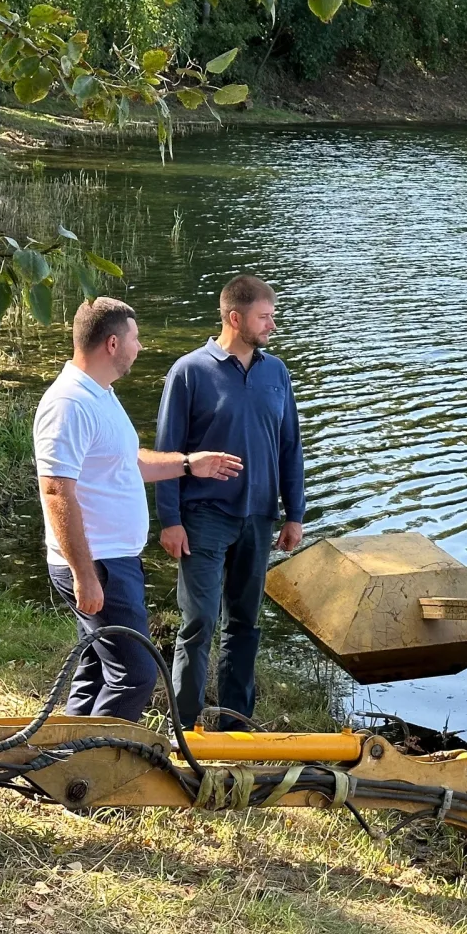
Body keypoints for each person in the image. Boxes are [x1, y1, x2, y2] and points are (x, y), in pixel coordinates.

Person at [33, 297, 242, 722]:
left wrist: (187, 463)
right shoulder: (69, 403)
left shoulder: (99, 395)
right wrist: (84, 575)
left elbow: (128, 462)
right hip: (99, 564)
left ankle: (66, 766)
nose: (140, 347)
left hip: (113, 560)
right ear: (112, 344)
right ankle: (102, 770)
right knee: (135, 675)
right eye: (135, 338)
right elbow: (56, 491)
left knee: (96, 672)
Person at [155, 275, 305, 729]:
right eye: (265, 317)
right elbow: (167, 451)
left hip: (259, 519)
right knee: (199, 621)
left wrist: (294, 513)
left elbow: (290, 447)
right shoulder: (189, 372)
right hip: (203, 517)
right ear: (235, 318)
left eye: (273, 316)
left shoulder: (276, 372)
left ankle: (237, 726)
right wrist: (170, 520)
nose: (272, 326)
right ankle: (185, 727)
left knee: (245, 624)